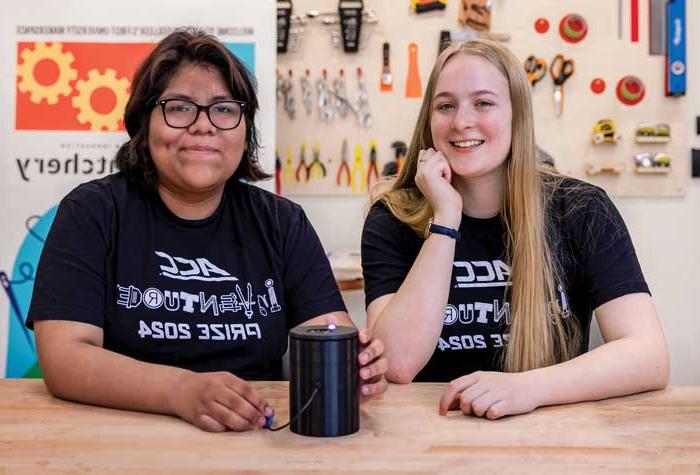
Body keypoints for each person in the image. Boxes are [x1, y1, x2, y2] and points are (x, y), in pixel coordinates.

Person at [27, 30, 387, 432]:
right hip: (119, 434)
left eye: (223, 109)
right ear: (143, 123)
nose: (203, 126)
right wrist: (181, 391)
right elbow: (64, 359)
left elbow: (331, 333)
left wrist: (356, 369)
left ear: (244, 130)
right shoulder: (92, 212)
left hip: (254, 435)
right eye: (179, 108)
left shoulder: (283, 223)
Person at [361, 39, 669, 420]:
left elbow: (648, 356)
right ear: (429, 119)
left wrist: (529, 387)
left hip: (548, 429)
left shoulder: (581, 209)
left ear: (516, 115)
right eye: (445, 105)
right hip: (429, 433)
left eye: (484, 103)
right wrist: (445, 219)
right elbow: (397, 363)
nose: (461, 122)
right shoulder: (392, 216)